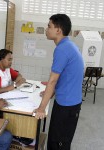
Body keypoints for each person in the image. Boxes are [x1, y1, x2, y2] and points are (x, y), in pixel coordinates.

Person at [33, 14, 84, 150]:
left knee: (58, 143)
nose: (46, 29)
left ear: (58, 30)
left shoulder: (62, 49)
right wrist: (49, 94)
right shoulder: (69, 45)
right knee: (60, 140)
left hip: (67, 106)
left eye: (49, 26)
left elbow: (52, 80)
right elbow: (67, 76)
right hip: (70, 102)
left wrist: (41, 108)